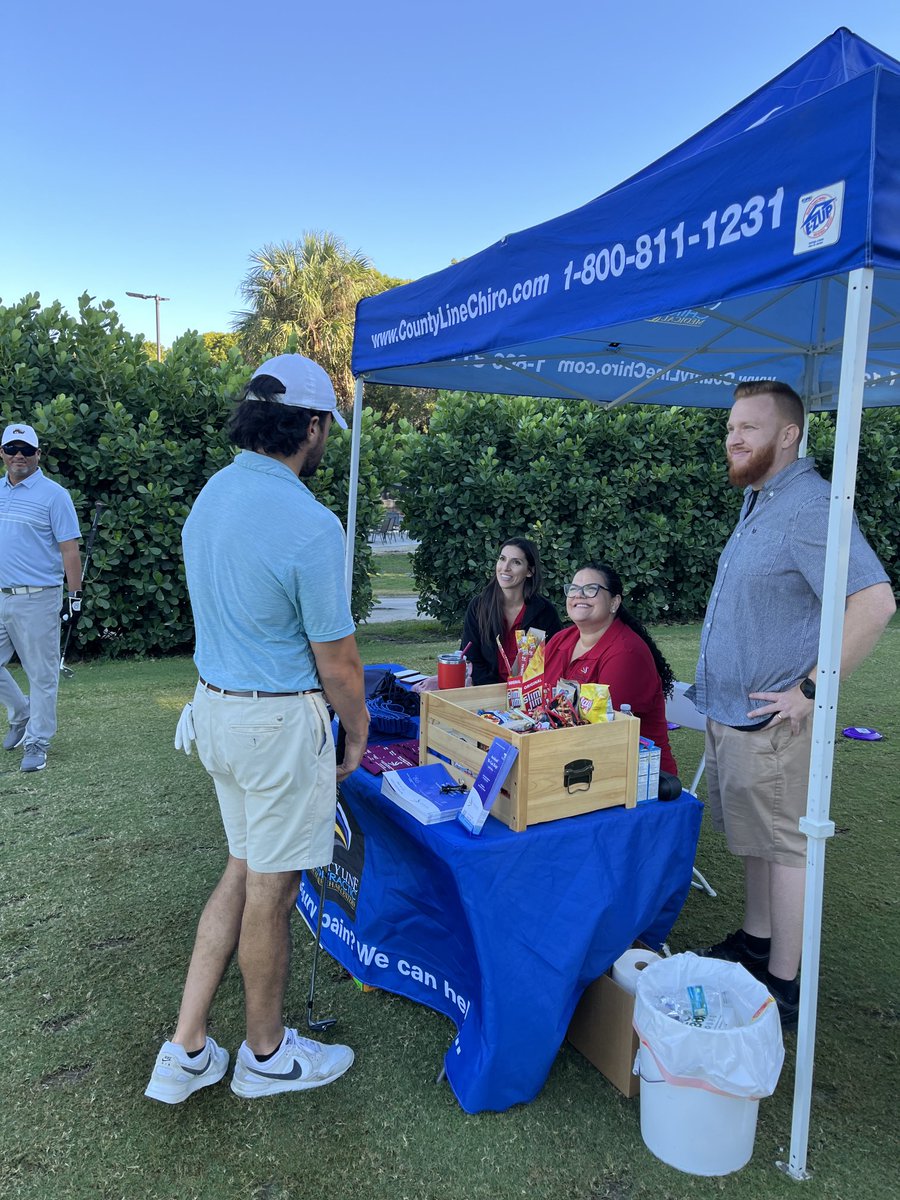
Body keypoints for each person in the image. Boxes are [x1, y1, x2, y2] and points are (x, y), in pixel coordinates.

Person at [146, 354, 370, 1105]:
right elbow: (339, 663)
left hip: (213, 711)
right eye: (325, 428)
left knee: (243, 870)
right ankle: (266, 1055)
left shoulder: (212, 494)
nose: (325, 439)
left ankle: (187, 1046)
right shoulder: (310, 522)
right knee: (272, 892)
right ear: (311, 427)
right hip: (274, 725)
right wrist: (358, 729)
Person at [689, 380, 895, 1030]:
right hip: (735, 714)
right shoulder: (761, 498)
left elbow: (874, 602)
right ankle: (757, 943)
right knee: (757, 839)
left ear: (788, 435)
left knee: (785, 849)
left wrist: (810, 690)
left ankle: (784, 985)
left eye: (748, 428)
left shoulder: (811, 506)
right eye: (730, 427)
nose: (733, 439)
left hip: (775, 722)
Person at [0, 423, 82, 773]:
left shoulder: (54, 495)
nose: (18, 455)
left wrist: (75, 596)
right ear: (2, 453)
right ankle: (22, 713)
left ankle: (38, 741)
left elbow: (69, 549)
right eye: (12, 448)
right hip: (1, 594)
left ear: (38, 454)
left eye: (26, 450)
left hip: (38, 598)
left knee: (42, 675)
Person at [543, 562, 677, 774]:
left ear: (614, 602)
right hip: (569, 759)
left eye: (591, 589)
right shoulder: (560, 640)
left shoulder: (626, 653)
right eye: (574, 588)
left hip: (635, 774)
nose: (579, 595)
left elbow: (606, 734)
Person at [461, 538, 562, 685]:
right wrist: (494, 692)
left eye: (516, 562)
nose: (505, 567)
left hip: (530, 693)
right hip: (486, 690)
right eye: (502, 559)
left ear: (529, 571)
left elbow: (554, 661)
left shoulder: (545, 612)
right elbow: (471, 659)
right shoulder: (478, 606)